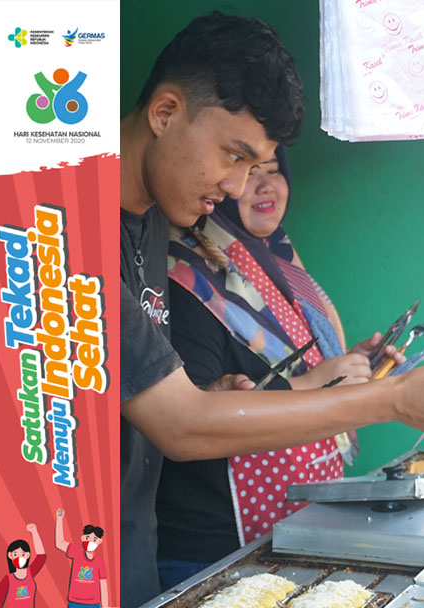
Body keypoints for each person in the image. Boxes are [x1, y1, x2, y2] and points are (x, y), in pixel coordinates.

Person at [119, 12, 424, 606]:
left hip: (127, 555)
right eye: (234, 156)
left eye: (259, 165)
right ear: (166, 113)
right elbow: (179, 424)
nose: (240, 188)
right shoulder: (73, 228)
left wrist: (218, 395)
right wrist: (394, 400)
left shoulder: (154, 222)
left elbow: (147, 400)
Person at [155, 145, 393, 587]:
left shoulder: (274, 258)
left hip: (297, 516)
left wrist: (352, 363)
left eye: (274, 171)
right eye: (248, 172)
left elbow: (298, 354)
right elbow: (192, 410)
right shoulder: (189, 276)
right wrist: (313, 383)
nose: (265, 185)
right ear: (220, 186)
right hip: (219, 545)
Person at [54, 510, 110, 608]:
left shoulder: (100, 563)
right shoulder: (76, 552)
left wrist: (105, 606)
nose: (90, 541)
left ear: (99, 541)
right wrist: (59, 519)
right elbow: (59, 543)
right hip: (75, 603)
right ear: (83, 538)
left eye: (94, 539)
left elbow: (103, 586)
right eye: (88, 537)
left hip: (93, 604)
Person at [0, 524, 45, 607]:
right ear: (10, 556)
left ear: (28, 555)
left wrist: (34, 532)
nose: (19, 557)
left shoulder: (30, 573)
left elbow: (41, 556)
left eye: (23, 554)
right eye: (15, 554)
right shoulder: (7, 580)